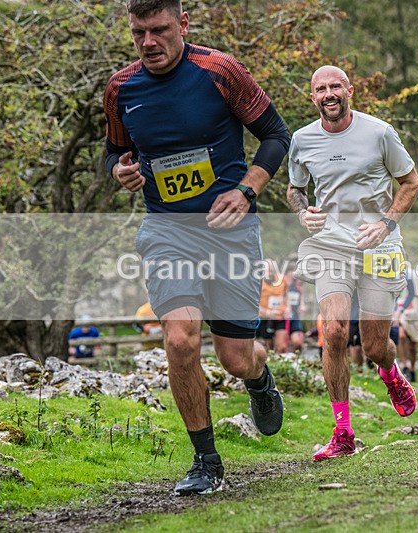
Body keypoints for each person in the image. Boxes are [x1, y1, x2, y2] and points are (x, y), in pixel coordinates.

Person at [103, 0, 289, 495]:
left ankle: (259, 377)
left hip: (230, 231)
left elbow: (275, 135)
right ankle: (206, 461)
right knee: (181, 339)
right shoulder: (121, 88)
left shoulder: (219, 71)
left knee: (234, 357)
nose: (149, 43)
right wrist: (119, 170)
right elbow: (114, 150)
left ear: (182, 24)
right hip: (167, 230)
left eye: (159, 30)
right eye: (139, 32)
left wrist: (246, 189)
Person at [287, 65, 418, 461]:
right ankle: (342, 431)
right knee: (334, 330)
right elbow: (295, 189)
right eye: (320, 88)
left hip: (377, 245)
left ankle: (390, 373)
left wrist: (387, 222)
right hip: (330, 245)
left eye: (335, 86)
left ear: (349, 91)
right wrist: (302, 214)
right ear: (312, 97)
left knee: (376, 344)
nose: (328, 94)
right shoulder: (301, 139)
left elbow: (411, 183)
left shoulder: (379, 132)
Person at [396, 267, 418, 383]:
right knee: (400, 336)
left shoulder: (414, 274)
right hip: (398, 313)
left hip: (414, 313)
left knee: (412, 344)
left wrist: (416, 293)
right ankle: (404, 366)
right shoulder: (389, 274)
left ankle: (412, 369)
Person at [257, 260, 289, 354]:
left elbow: (286, 294)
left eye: (272, 270)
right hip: (264, 317)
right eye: (268, 271)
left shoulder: (282, 279)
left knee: (282, 347)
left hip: (280, 316)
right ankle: (270, 366)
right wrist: (267, 312)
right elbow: (253, 303)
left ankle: (283, 365)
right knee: (268, 347)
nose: (270, 273)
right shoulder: (258, 282)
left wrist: (288, 308)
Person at [284, 262, 307, 353]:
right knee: (282, 345)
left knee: (298, 342)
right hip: (283, 317)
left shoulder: (298, 285)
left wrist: (302, 305)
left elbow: (302, 297)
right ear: (288, 272)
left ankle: (296, 359)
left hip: (295, 316)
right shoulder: (282, 282)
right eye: (293, 271)